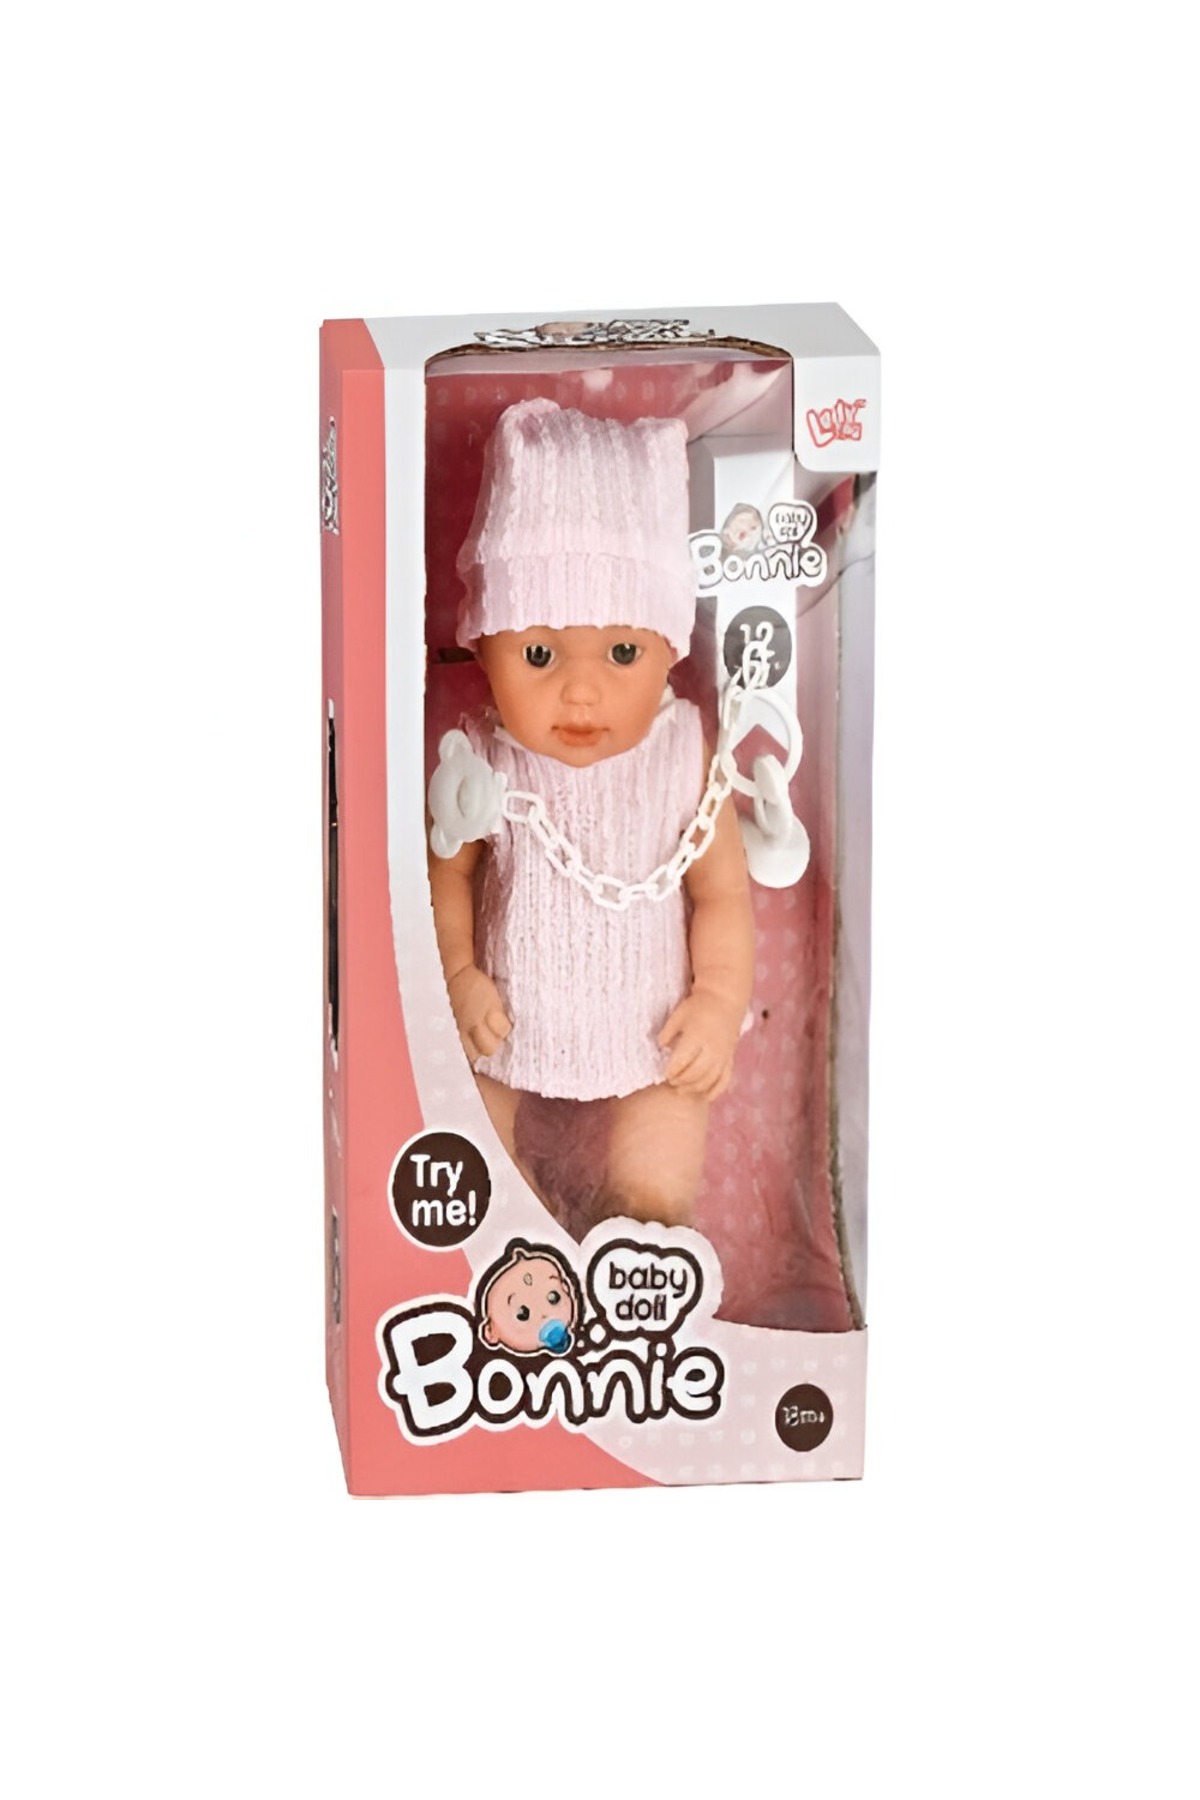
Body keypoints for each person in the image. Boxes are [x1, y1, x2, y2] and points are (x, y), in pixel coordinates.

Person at [428, 399, 754, 1227]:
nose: (581, 690)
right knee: (472, 1145)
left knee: (660, 1168)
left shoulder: (684, 757)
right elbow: (446, 874)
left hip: (655, 1041)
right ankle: (520, 1251)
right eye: (539, 654)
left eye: (623, 652)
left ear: (671, 647)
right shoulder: (484, 759)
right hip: (507, 1029)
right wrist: (459, 975)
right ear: (483, 643)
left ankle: (640, 1246)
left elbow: (722, 893)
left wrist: (718, 1001)